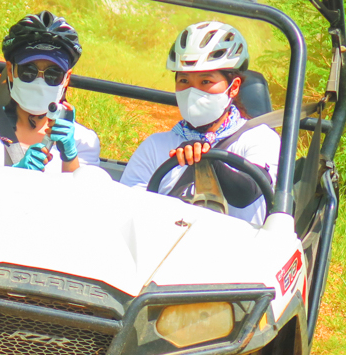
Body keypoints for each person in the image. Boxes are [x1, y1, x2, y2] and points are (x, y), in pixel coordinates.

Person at [120, 21, 279, 225]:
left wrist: (208, 160)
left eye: (205, 82)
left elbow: (248, 192)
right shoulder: (156, 146)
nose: (193, 92)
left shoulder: (259, 138)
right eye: (184, 81)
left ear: (234, 87)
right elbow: (128, 213)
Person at [0, 11, 101, 172]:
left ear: (66, 78)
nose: (39, 81)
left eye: (53, 74)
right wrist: (16, 175)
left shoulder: (83, 141)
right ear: (10, 71)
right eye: (28, 71)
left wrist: (70, 158)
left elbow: (83, 196)